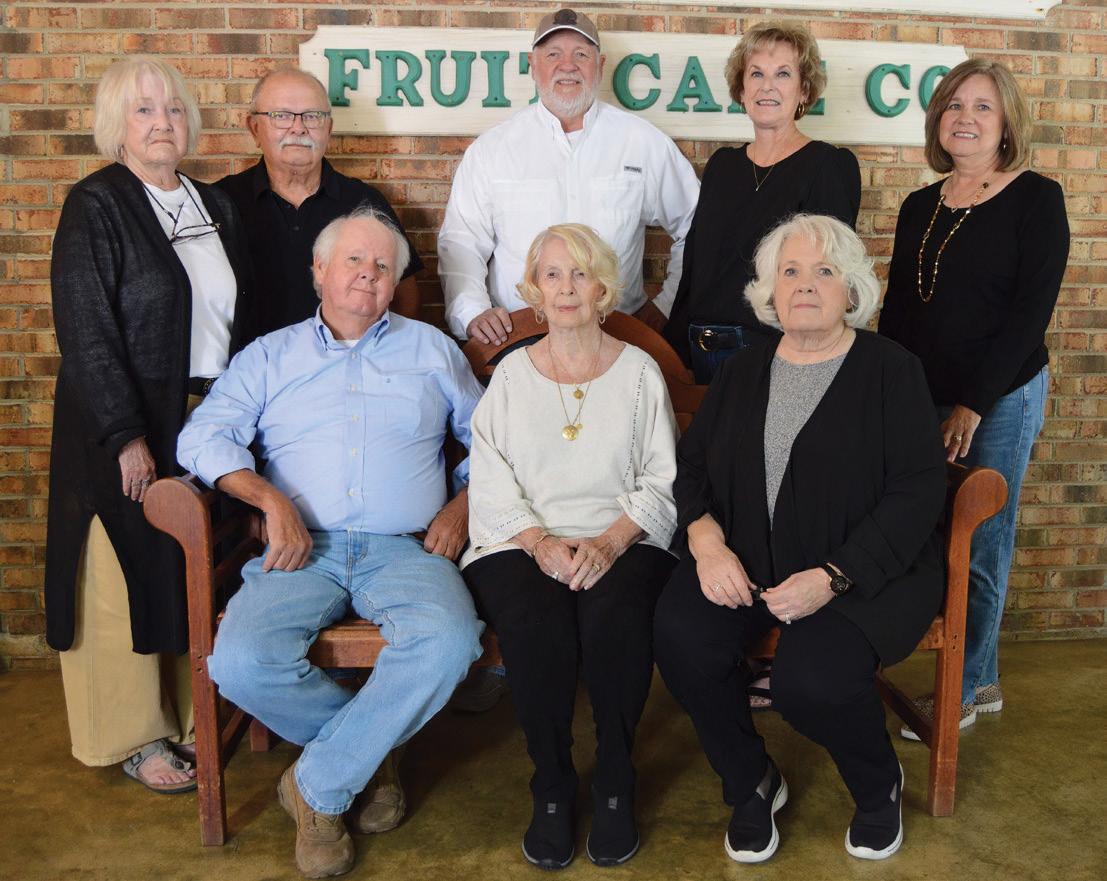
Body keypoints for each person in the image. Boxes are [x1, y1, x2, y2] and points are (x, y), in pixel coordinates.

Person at [177, 207, 485, 879]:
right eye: (353, 260)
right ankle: (369, 754)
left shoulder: (432, 350)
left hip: (405, 547)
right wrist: (269, 499)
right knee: (240, 662)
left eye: (382, 266)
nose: (367, 275)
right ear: (318, 270)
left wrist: (464, 504)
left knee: (449, 642)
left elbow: (492, 437)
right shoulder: (269, 355)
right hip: (299, 548)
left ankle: (315, 786)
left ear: (396, 282)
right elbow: (202, 437)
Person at [654, 214, 947, 863]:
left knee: (809, 682)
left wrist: (835, 575)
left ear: (851, 290)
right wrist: (705, 541)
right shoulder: (741, 371)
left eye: (824, 271)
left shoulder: (891, 370)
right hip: (747, 559)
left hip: (865, 572)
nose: (805, 284)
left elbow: (918, 489)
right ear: (770, 290)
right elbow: (692, 468)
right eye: (790, 271)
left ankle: (877, 785)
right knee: (681, 636)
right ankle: (750, 781)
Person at [45, 58, 252, 793]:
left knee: (183, 567)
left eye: (173, 109)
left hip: (201, 416)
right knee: (117, 570)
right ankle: (133, 735)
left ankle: (193, 714)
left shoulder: (212, 203)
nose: (162, 122)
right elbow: (86, 328)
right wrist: (125, 435)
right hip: (122, 422)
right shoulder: (97, 203)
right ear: (117, 125)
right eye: (143, 110)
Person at [461, 224, 679, 869]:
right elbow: (489, 478)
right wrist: (539, 542)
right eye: (551, 274)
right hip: (521, 538)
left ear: (602, 287)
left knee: (616, 617)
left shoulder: (639, 373)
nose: (565, 287)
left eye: (579, 273)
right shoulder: (510, 375)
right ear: (534, 288)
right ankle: (552, 783)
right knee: (536, 622)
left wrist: (609, 543)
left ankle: (614, 777)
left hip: (624, 534)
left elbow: (662, 478)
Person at [879, 59, 1069, 738]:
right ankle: (980, 675)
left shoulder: (1036, 199)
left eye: (983, 107)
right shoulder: (919, 205)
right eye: (954, 105)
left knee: (982, 538)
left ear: (1007, 122)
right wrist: (888, 396)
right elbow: (898, 314)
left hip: (1001, 397)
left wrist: (972, 405)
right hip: (925, 395)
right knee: (936, 535)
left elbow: (1028, 316)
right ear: (937, 120)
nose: (966, 118)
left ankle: (960, 688)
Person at [438, 7, 700, 345]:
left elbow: (696, 224)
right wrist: (473, 311)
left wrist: (667, 304)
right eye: (553, 54)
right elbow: (461, 240)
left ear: (600, 66)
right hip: (517, 340)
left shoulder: (643, 143)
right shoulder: (492, 150)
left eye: (581, 54)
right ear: (532, 65)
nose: (568, 65)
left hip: (617, 339)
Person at [663, 21, 861, 384]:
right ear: (742, 90)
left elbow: (828, 282)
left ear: (804, 90)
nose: (767, 86)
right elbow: (694, 267)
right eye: (756, 73)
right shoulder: (722, 166)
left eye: (783, 74)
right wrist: (675, 354)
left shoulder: (828, 166)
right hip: (698, 353)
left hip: (774, 357)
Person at [217, 66, 423, 336]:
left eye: (312, 116)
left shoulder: (365, 203)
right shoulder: (220, 202)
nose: (298, 128)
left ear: (328, 128)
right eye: (281, 116)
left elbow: (405, 298)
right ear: (255, 128)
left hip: (345, 361)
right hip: (247, 361)